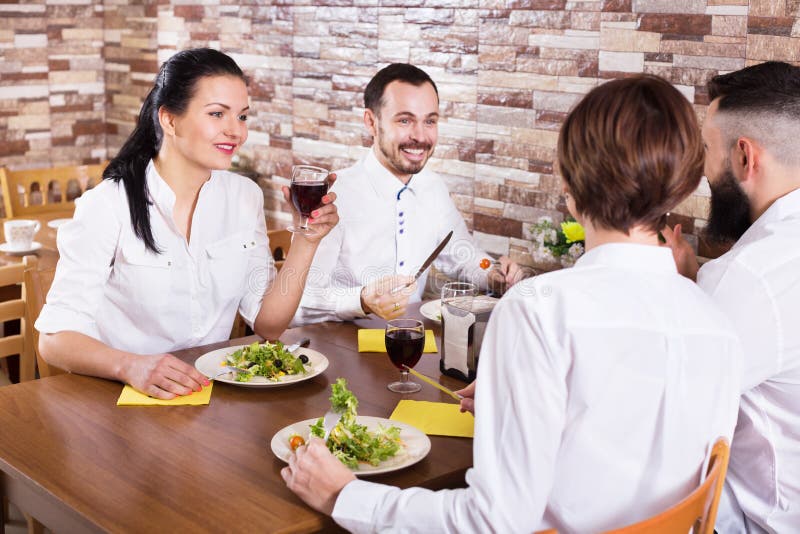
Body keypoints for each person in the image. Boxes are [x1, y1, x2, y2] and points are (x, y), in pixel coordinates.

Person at [281, 74, 744, 532]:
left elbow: (491, 524)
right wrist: (525, 401)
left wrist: (347, 496)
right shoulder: (718, 321)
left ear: (569, 182)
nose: (420, 134)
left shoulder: (537, 310)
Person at [35, 48, 339, 399]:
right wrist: (131, 365)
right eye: (216, 114)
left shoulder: (245, 197)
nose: (235, 132)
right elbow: (54, 340)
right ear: (169, 119)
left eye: (242, 117)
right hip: (122, 400)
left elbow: (269, 324)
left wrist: (307, 239)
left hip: (210, 395)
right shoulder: (107, 205)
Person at [663, 61, 800, 533]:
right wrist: (697, 280)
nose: (703, 168)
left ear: (745, 156)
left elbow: (660, 397)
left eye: (706, 150)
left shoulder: (750, 275)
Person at [291, 63, 522, 326]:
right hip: (339, 352)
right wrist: (362, 300)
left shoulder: (432, 187)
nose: (420, 136)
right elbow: (298, 301)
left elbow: (463, 255)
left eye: (430, 121)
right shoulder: (334, 197)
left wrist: (493, 273)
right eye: (404, 120)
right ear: (371, 122)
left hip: (411, 345)